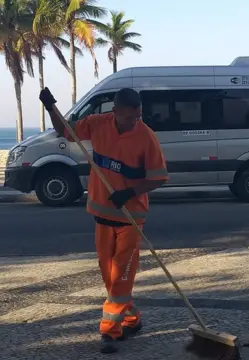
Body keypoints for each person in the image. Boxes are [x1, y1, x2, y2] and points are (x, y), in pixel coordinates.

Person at [39, 87, 169, 354]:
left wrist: (130, 191)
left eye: (138, 116)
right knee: (110, 277)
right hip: (102, 214)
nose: (135, 121)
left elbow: (158, 177)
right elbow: (66, 131)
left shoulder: (146, 137)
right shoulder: (98, 124)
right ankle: (132, 318)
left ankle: (110, 331)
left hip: (131, 217)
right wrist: (51, 108)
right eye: (130, 117)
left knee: (121, 274)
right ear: (115, 111)